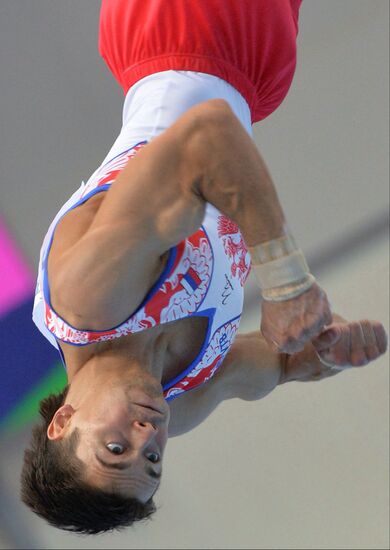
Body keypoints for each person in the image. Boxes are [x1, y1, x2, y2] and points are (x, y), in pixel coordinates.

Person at [21, 0, 387, 535]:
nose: (148, 435)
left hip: (181, 27)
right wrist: (323, 354)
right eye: (152, 462)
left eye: (116, 447)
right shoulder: (182, 399)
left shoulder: (88, 299)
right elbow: (279, 367)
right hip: (255, 69)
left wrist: (285, 284)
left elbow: (208, 136)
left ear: (63, 421)